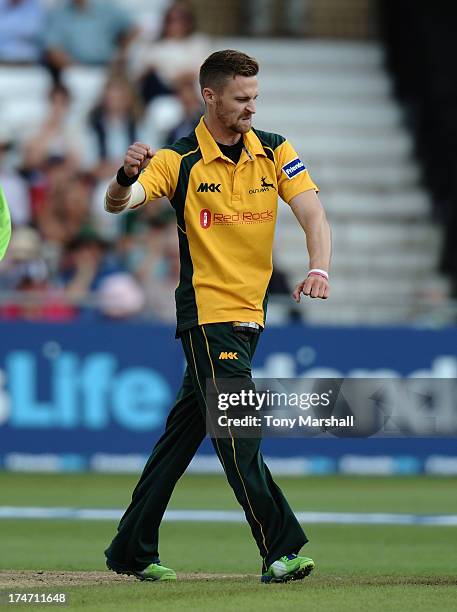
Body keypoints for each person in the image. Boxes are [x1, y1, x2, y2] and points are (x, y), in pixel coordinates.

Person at [103, 49, 331, 583]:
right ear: (210, 96)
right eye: (241, 98)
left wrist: (320, 268)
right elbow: (120, 202)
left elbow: (312, 212)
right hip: (208, 315)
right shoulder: (178, 159)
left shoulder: (275, 151)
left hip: (251, 316)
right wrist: (122, 176)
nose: (252, 107)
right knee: (237, 429)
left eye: (255, 97)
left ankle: (131, 548)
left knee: (183, 435)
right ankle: (279, 548)